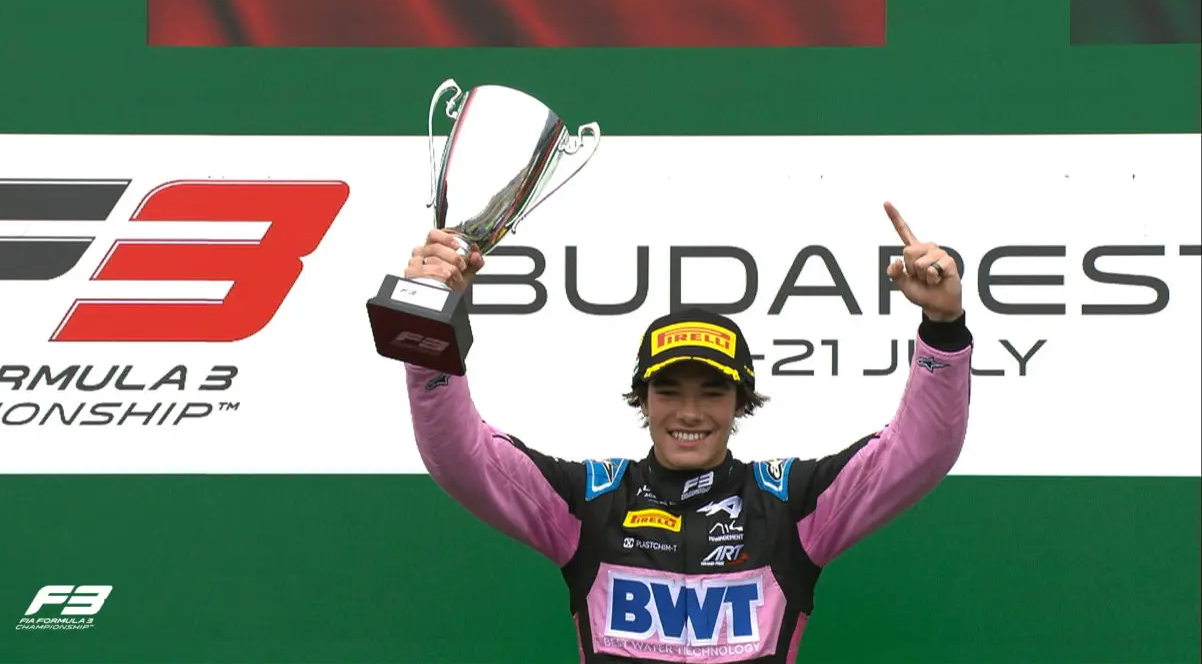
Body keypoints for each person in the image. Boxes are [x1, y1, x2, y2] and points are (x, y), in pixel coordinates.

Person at [400, 202, 972, 663]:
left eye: (713, 392)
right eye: (669, 391)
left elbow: (917, 452)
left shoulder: (788, 505)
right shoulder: (591, 502)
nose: (690, 412)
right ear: (643, 400)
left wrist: (943, 327)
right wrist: (428, 320)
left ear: (740, 403)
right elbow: (464, 458)